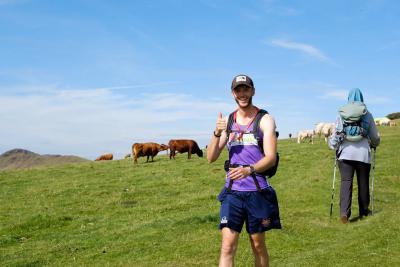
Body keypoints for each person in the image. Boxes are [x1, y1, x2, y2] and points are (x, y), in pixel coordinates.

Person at [207, 74, 281, 267]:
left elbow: (271, 157)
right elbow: (211, 157)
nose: (242, 94)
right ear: (233, 93)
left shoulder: (265, 119)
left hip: (257, 191)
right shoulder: (229, 121)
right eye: (238, 90)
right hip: (232, 193)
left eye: (246, 89)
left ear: (253, 91)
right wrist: (216, 132)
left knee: (257, 245)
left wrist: (250, 169)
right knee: (227, 246)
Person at [329, 88, 380, 224]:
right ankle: (364, 211)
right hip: (363, 154)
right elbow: (375, 136)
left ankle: (344, 213)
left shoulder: (341, 114)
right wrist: (375, 143)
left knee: (346, 182)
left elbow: (335, 135)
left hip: (345, 154)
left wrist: (332, 145)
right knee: (363, 182)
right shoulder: (367, 114)